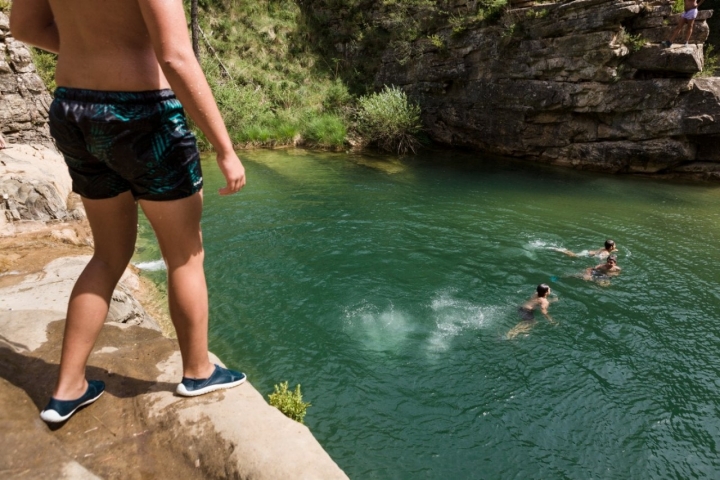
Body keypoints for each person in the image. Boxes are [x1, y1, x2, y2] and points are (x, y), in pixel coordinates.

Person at [10, 0, 247, 423]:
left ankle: (67, 389)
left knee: (107, 254)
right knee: (185, 254)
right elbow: (174, 55)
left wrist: (92, 48)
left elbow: (24, 26)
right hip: (144, 115)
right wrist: (226, 149)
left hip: (74, 110)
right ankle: (198, 371)